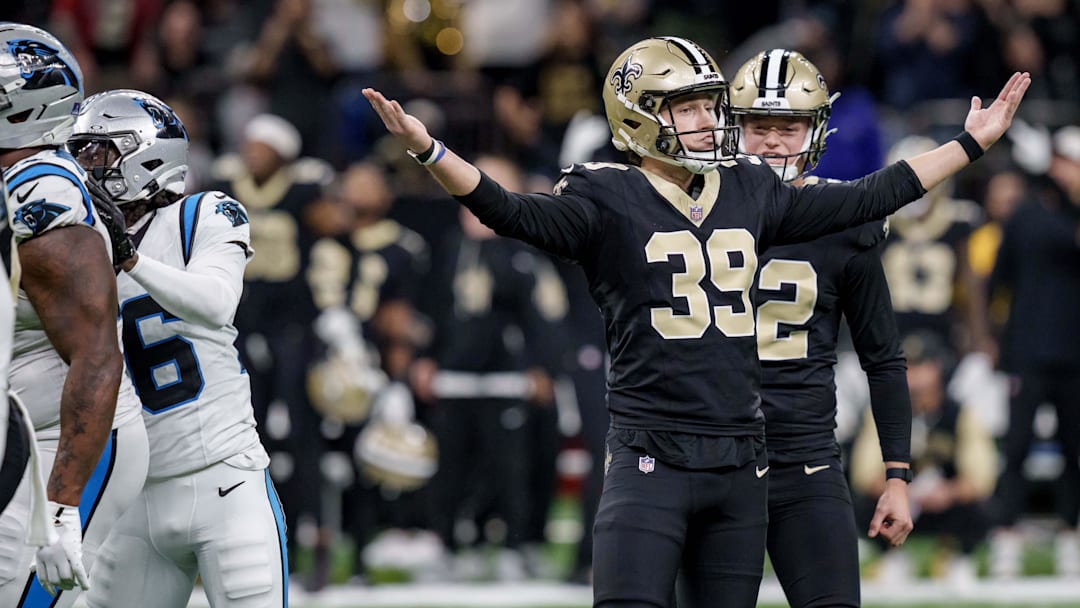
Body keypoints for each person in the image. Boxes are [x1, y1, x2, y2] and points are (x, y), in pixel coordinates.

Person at [362, 35, 1029, 607]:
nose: (714, 125)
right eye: (694, 110)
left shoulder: (760, 193)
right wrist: (432, 153)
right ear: (644, 117)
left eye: (712, 108)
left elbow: (871, 199)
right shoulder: (610, 194)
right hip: (660, 449)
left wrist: (969, 145)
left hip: (759, 459)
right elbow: (512, 212)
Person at [65, 89, 288, 607]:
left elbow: (214, 303)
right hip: (133, 499)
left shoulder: (204, 213)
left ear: (146, 154)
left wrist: (130, 259)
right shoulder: (77, 244)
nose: (85, 169)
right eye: (78, 154)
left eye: (98, 152)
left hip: (225, 484)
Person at [727, 49, 913, 608]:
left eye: (789, 127)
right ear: (734, 128)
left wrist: (897, 475)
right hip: (710, 458)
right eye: (760, 127)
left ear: (816, 131)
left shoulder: (843, 219)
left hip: (803, 457)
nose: (774, 142)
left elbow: (883, 357)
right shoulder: (691, 212)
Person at [0, 23, 150, 607]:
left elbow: (95, 355)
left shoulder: (41, 199)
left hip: (61, 448)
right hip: (19, 435)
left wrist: (63, 507)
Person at [986, 125, 1080, 579]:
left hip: (1073, 352)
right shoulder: (1027, 215)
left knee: (1073, 449)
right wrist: (991, 341)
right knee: (1018, 446)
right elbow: (997, 281)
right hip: (1027, 350)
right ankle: (1006, 537)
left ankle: (1070, 536)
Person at [851, 331, 996, 588]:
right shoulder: (882, 413)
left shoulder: (959, 413)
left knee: (984, 507)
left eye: (921, 366)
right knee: (860, 504)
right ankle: (892, 557)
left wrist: (949, 492)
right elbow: (863, 473)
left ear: (938, 368)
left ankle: (958, 558)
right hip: (901, 504)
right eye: (908, 367)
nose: (914, 376)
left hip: (945, 504)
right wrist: (902, 492)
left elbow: (982, 476)